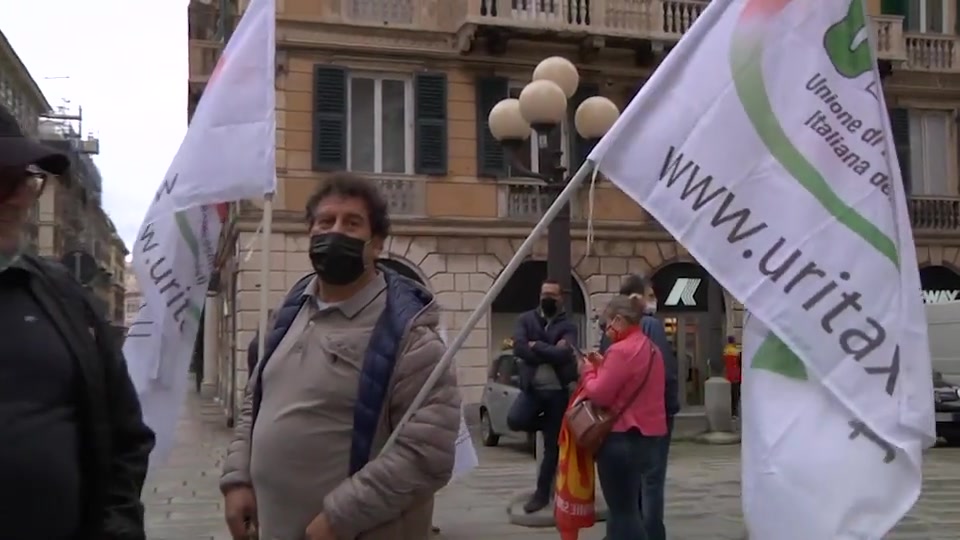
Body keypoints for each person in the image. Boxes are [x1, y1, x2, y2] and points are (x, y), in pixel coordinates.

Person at [221, 172, 461, 540]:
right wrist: (237, 479)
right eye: (325, 221)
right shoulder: (287, 315)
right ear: (310, 233)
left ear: (376, 243)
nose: (335, 232)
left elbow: (427, 454)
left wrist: (339, 518)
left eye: (352, 223)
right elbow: (255, 402)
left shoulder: (412, 338)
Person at [0, 105, 156, 539]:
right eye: (2, 180)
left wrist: (117, 527)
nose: (20, 198)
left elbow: (127, 436)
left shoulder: (63, 295)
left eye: (25, 179)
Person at [582, 295, 667, 540]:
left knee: (623, 511)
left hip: (621, 439)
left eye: (606, 324)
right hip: (649, 439)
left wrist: (587, 370)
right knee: (630, 508)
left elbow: (599, 395)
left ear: (618, 320)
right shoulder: (652, 349)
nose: (606, 331)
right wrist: (603, 366)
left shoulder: (620, 350)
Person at [600, 273, 678, 540]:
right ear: (636, 299)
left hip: (618, 423)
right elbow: (665, 372)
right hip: (649, 420)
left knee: (623, 491)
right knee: (651, 482)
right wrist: (669, 408)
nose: (652, 301)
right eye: (649, 295)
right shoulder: (650, 327)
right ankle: (652, 534)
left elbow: (606, 376)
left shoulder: (611, 334)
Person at [508, 279, 579, 513]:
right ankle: (546, 425)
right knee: (515, 420)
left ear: (560, 299)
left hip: (558, 394)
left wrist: (536, 345)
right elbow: (519, 348)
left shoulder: (568, 325)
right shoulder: (525, 319)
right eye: (544, 293)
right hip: (533, 390)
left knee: (552, 448)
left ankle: (541, 494)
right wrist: (549, 350)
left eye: (552, 294)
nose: (547, 297)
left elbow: (564, 354)